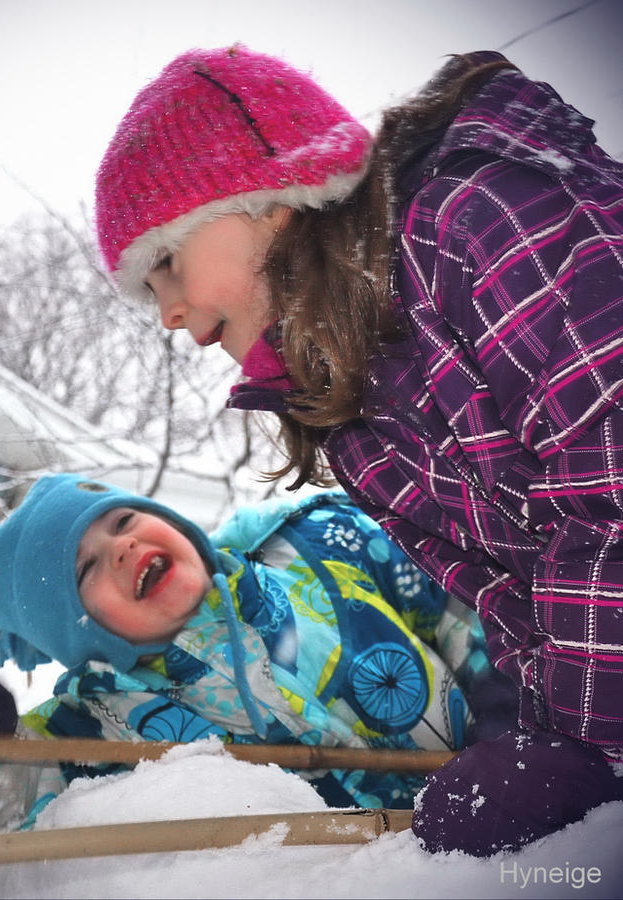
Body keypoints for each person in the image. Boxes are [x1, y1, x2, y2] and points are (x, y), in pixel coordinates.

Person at [91, 46, 623, 856]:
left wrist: (584, 744)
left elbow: (608, 492)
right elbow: (505, 590)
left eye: (166, 264)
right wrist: (546, 739)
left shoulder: (478, 225)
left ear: (265, 196)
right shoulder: (353, 416)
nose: (167, 313)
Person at [0, 473, 507, 834]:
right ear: (81, 636)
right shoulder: (99, 727)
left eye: (123, 520)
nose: (119, 545)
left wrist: (511, 713)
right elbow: (7, 802)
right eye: (86, 568)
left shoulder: (319, 546)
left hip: (522, 811)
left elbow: (460, 609)